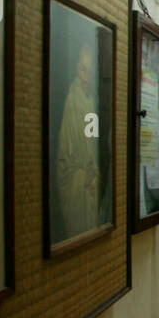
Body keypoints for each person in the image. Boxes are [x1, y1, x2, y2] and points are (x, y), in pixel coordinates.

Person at [57, 42, 103, 239]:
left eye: (91, 71)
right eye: (84, 70)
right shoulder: (72, 101)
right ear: (78, 69)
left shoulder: (91, 100)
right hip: (79, 185)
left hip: (91, 183)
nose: (87, 76)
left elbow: (92, 139)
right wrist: (81, 177)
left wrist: (95, 171)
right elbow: (64, 156)